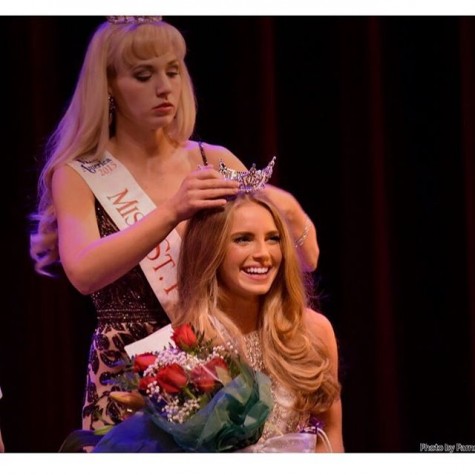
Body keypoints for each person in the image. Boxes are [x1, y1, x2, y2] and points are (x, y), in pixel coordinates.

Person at [29, 16, 319, 432]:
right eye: (143, 75)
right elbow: (83, 271)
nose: (164, 87)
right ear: (108, 85)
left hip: (219, 367)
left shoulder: (211, 159)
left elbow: (304, 261)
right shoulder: (80, 174)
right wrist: (170, 212)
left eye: (172, 70)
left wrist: (291, 215)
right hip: (128, 371)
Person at [171, 191, 343, 452]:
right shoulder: (188, 340)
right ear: (210, 249)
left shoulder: (313, 330)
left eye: (273, 239)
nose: (263, 253)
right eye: (243, 239)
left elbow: (330, 433)